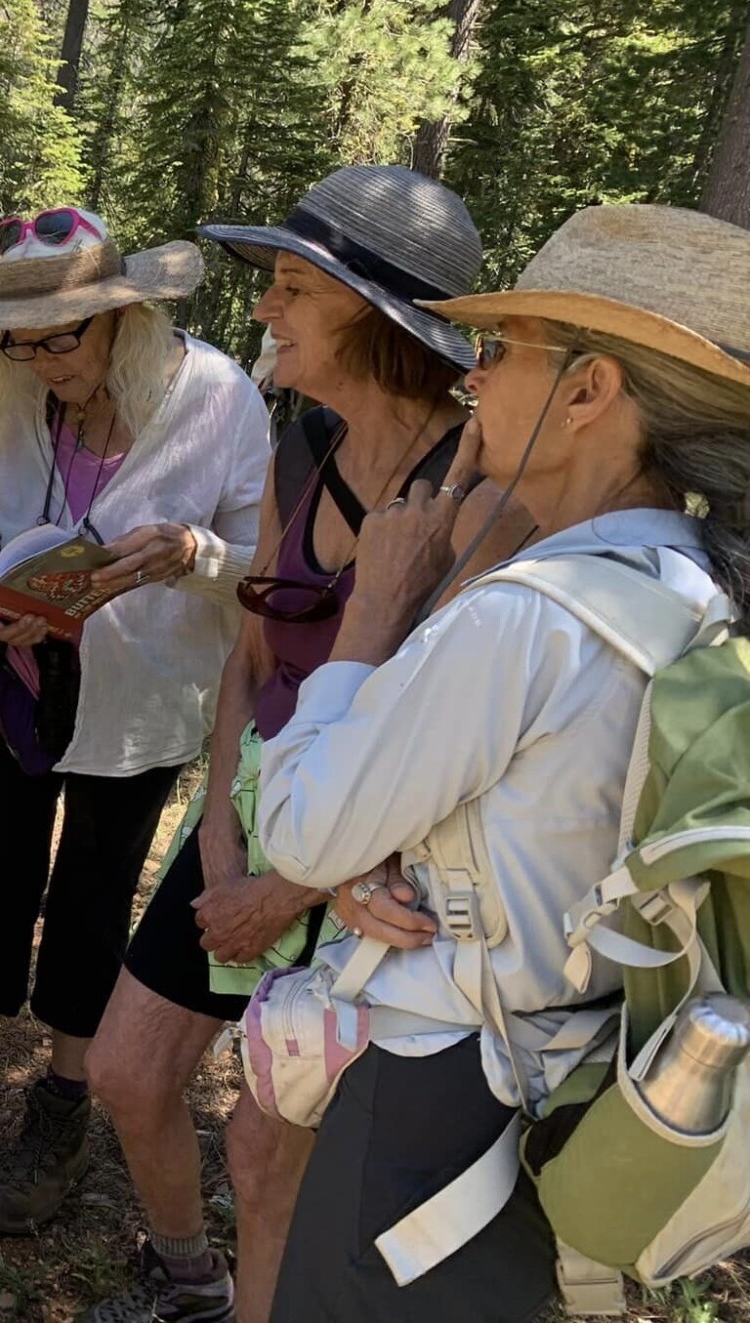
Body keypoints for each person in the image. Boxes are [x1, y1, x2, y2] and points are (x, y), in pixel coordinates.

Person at [254, 204, 750, 1321]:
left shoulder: (530, 616)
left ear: (588, 392)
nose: (472, 379)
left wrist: (371, 613)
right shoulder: (701, 591)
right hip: (577, 1090)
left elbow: (298, 829)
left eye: (501, 349)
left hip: (430, 1103)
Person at [82, 165, 527, 1323]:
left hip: (369, 865)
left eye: (291, 286)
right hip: (250, 812)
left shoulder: (478, 501)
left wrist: (287, 889)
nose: (263, 308)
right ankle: (191, 1278)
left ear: (374, 319)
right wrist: (219, 837)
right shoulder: (303, 448)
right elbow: (250, 656)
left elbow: (449, 745)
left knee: (265, 1152)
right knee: (125, 1073)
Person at [0, 208, 269, 1235]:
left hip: (143, 702)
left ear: (123, 318)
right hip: (17, 682)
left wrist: (196, 556)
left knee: (89, 899)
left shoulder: (217, 397)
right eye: (18, 341)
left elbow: (267, 574)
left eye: (59, 338)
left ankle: (61, 1108)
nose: (39, 360)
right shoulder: (20, 398)